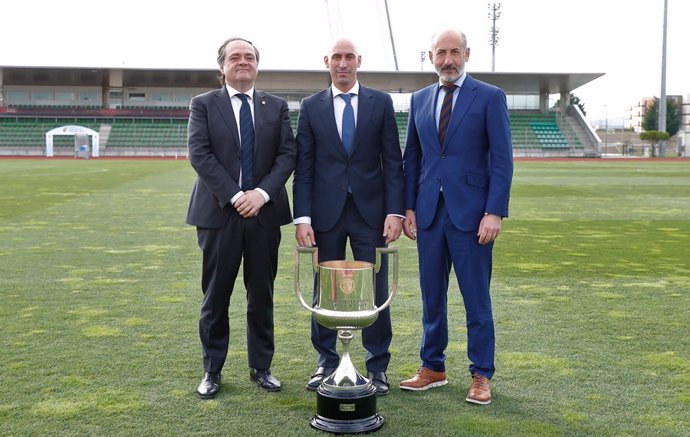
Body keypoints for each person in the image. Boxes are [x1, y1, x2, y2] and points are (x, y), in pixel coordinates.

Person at [399, 29, 513, 405]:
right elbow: (412, 158)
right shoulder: (419, 99)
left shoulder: (490, 97)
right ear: (430, 56)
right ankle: (432, 366)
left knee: (476, 299)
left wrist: (494, 212)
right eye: (440, 53)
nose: (448, 59)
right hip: (430, 213)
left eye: (454, 52)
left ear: (467, 53)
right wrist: (409, 207)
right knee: (432, 297)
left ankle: (481, 374)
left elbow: (501, 160)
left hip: (473, 215)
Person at [186, 37, 296, 399]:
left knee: (261, 295)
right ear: (222, 66)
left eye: (249, 57)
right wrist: (236, 196)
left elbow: (286, 155)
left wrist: (260, 195)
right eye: (235, 57)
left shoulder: (276, 106)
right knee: (216, 296)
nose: (243, 62)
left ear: (257, 65)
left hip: (264, 214)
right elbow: (200, 155)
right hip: (219, 214)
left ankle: (261, 367)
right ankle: (212, 370)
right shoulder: (203, 104)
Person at [293, 38, 404, 396]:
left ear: (359, 61)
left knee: (375, 289)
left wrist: (394, 211)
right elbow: (304, 166)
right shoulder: (310, 107)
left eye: (349, 57)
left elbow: (393, 161)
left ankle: (378, 365)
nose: (343, 63)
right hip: (325, 214)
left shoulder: (380, 103)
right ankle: (326, 361)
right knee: (324, 289)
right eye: (337, 57)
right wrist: (302, 218)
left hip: (372, 214)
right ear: (327, 61)